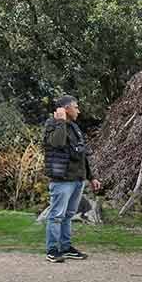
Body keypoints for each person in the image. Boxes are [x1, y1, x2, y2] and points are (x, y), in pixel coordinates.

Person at [42, 95, 102, 263]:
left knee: (68, 215)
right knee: (56, 216)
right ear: (65, 109)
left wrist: (91, 177)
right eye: (76, 107)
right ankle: (52, 250)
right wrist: (61, 121)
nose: (78, 110)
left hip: (77, 179)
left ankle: (66, 247)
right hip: (62, 180)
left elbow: (82, 153)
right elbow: (58, 143)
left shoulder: (75, 127)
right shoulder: (52, 125)